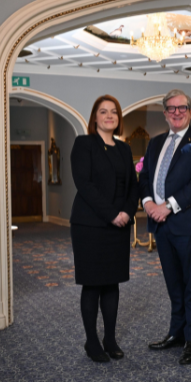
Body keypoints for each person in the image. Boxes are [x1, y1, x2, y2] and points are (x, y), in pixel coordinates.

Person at [139, 89, 191, 365]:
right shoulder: (155, 142)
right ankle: (177, 333)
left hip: (185, 223)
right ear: (165, 114)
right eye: (171, 109)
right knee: (173, 283)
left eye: (182, 108)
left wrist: (167, 206)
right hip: (160, 226)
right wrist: (148, 203)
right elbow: (145, 176)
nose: (177, 113)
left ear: (190, 112)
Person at [70, 95, 139, 363]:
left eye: (114, 112)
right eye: (103, 111)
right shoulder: (84, 144)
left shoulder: (124, 149)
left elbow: (132, 186)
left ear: (119, 118)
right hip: (90, 225)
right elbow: (84, 184)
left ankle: (110, 339)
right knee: (93, 284)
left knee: (112, 284)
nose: (109, 116)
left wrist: (127, 212)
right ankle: (92, 341)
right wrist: (111, 214)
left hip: (119, 225)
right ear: (95, 117)